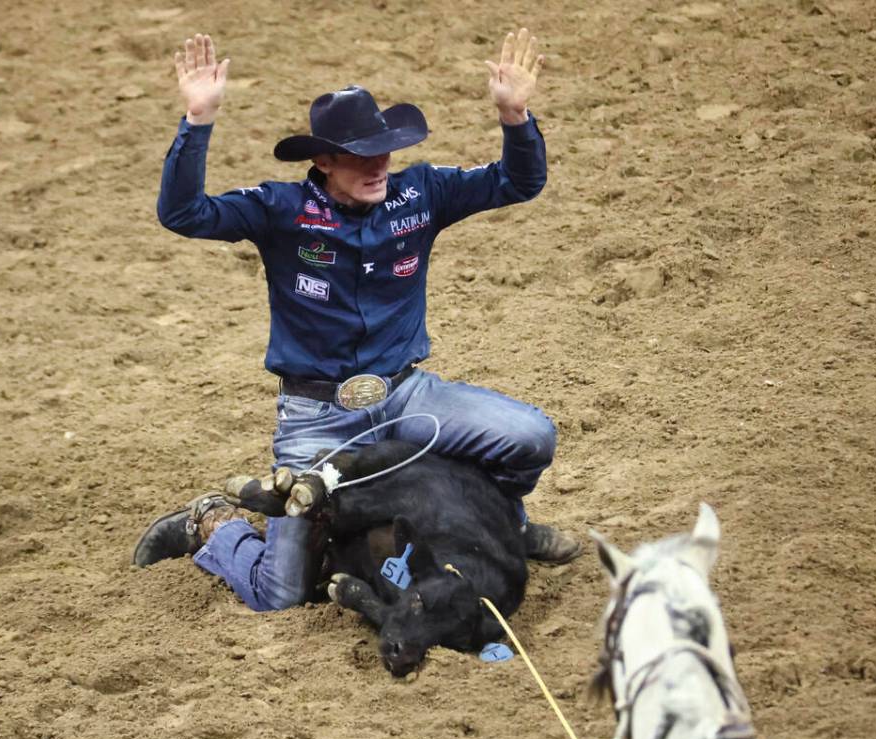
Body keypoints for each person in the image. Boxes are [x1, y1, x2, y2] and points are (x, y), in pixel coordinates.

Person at [133, 29, 581, 612]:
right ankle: (212, 525)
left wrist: (515, 116)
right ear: (323, 161)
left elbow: (518, 182)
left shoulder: (421, 192)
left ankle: (503, 523)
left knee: (530, 436)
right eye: (360, 156)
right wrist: (198, 120)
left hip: (407, 396)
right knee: (281, 594)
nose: (378, 166)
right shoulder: (280, 210)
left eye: (384, 152)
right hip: (318, 419)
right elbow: (182, 213)